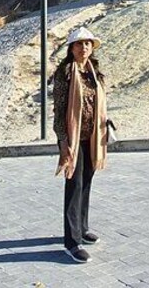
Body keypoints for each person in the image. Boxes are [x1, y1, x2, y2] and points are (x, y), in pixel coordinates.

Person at [52, 27, 108, 264]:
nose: (83, 48)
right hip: (72, 138)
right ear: (71, 48)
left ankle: (82, 228)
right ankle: (71, 241)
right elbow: (59, 111)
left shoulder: (94, 73)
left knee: (86, 182)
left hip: (92, 137)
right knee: (74, 185)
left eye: (87, 44)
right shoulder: (65, 73)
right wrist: (63, 142)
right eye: (79, 44)